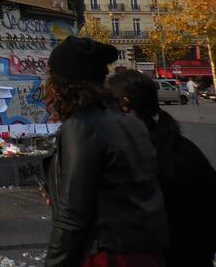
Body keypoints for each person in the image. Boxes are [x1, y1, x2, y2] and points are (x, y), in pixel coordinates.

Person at [43, 36, 168, 267]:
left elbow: (72, 216)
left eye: (51, 77)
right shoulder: (129, 121)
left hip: (108, 253)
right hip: (146, 249)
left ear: (63, 84)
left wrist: (54, 262)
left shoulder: (82, 127)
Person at [107, 70, 216, 267]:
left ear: (125, 106)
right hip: (197, 253)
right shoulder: (182, 146)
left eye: (106, 106)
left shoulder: (134, 155)